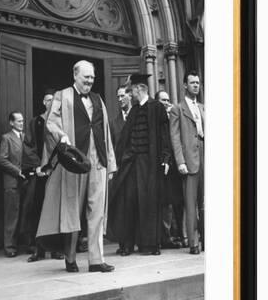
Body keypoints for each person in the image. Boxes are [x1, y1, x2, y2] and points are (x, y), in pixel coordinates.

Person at [36, 60, 117, 273]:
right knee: (72, 211)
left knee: (97, 211)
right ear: (75, 76)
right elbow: (51, 122)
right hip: (75, 162)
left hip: (97, 161)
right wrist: (61, 135)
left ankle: (96, 260)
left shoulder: (98, 99)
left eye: (92, 78)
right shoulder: (62, 96)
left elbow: (106, 131)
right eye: (86, 77)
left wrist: (110, 163)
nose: (90, 81)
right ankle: (70, 258)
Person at [108, 74, 171, 256]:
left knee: (149, 204)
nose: (130, 94)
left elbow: (164, 135)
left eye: (131, 90)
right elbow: (124, 139)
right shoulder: (134, 111)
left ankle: (149, 245)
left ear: (139, 89)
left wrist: (166, 159)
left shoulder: (157, 107)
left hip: (150, 165)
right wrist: (118, 161)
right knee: (129, 202)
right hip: (132, 164)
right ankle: (127, 244)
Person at [22, 89, 64, 262]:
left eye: (53, 100)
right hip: (41, 173)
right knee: (39, 210)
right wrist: (39, 166)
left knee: (56, 210)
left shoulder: (61, 123)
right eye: (48, 100)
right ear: (43, 102)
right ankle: (38, 251)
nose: (50, 102)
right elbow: (29, 146)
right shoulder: (35, 122)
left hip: (57, 171)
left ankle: (55, 250)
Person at [170, 71, 205, 254]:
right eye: (192, 83)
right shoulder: (178, 108)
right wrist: (180, 161)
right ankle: (193, 243)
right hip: (189, 161)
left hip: (204, 156)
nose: (196, 86)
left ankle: (207, 239)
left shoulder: (203, 107)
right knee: (190, 203)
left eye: (198, 83)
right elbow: (175, 137)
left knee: (205, 201)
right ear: (184, 85)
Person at [155, 90, 185, 249]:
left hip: (177, 167)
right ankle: (167, 237)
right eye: (162, 100)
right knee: (165, 204)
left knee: (178, 202)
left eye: (168, 100)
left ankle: (179, 234)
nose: (166, 103)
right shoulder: (157, 119)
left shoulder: (175, 115)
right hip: (164, 167)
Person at [0, 111, 27, 257]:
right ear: (11, 123)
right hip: (12, 182)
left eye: (22, 121)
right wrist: (17, 171)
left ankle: (23, 245)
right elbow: (2, 160)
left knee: (24, 214)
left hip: (25, 182)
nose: (22, 123)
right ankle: (9, 247)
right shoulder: (6, 138)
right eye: (19, 121)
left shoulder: (25, 137)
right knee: (11, 215)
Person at [110, 85, 132, 152]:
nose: (120, 99)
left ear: (130, 96)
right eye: (118, 97)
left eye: (122, 96)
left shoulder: (139, 116)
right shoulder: (113, 123)